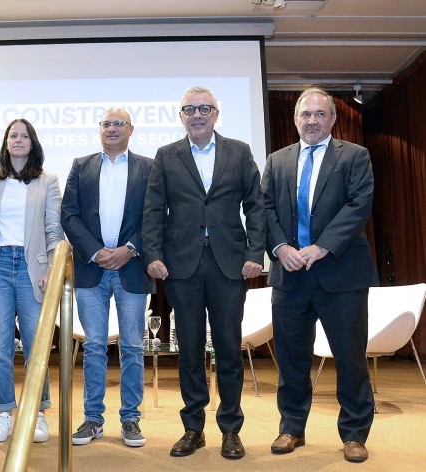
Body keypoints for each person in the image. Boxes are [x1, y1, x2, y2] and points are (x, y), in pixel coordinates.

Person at [142, 87, 265, 460]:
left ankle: (230, 429)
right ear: (181, 116)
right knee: (190, 352)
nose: (197, 114)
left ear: (216, 113)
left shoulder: (239, 151)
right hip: (182, 266)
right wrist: (152, 254)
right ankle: (193, 428)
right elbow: (153, 210)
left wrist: (254, 252)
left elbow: (256, 206)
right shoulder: (166, 156)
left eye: (205, 108)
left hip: (230, 265)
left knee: (228, 349)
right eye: (189, 109)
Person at [262, 87, 378, 463]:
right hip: (289, 275)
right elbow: (264, 210)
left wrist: (322, 246)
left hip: (340, 274)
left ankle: (355, 433)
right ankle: (291, 427)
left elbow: (359, 204)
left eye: (319, 114)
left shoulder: (355, 156)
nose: (311, 121)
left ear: (332, 119)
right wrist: (280, 248)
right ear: (295, 120)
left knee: (350, 357)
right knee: (292, 358)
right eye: (305, 115)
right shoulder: (277, 160)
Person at [61, 108, 155, 448]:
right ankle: (93, 419)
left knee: (131, 346)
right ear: (99, 130)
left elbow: (156, 214)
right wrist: (97, 251)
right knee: (95, 346)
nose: (112, 129)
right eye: (106, 124)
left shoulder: (148, 167)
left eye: (119, 124)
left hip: (132, 267)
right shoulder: (81, 165)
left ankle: (130, 419)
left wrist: (129, 249)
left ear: (131, 129)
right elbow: (68, 215)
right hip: (91, 267)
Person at [0, 118, 63, 443]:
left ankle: (36, 413)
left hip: (31, 269)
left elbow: (53, 227)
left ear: (33, 143)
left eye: (25, 136)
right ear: (6, 142)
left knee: (36, 347)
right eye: (14, 135)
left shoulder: (47, 181)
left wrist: (50, 265)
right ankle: (2, 413)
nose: (19, 140)